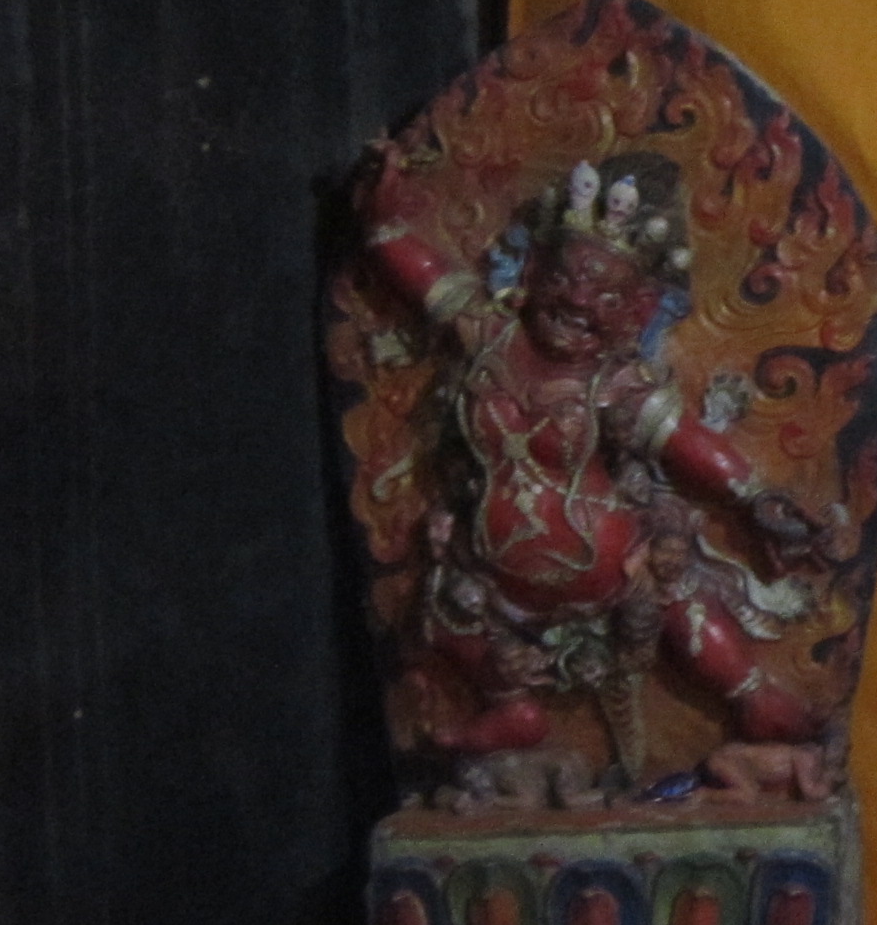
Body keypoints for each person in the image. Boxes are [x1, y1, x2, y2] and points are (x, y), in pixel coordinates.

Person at [363, 148, 847, 786]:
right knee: (441, 617)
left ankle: (753, 695)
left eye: (604, 294)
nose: (579, 299)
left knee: (677, 600)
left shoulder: (616, 387)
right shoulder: (488, 338)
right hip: (490, 575)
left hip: (611, 573)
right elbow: (425, 278)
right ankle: (513, 710)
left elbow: (686, 442)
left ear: (634, 312)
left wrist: (753, 494)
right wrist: (384, 226)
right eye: (565, 279)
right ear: (532, 272)